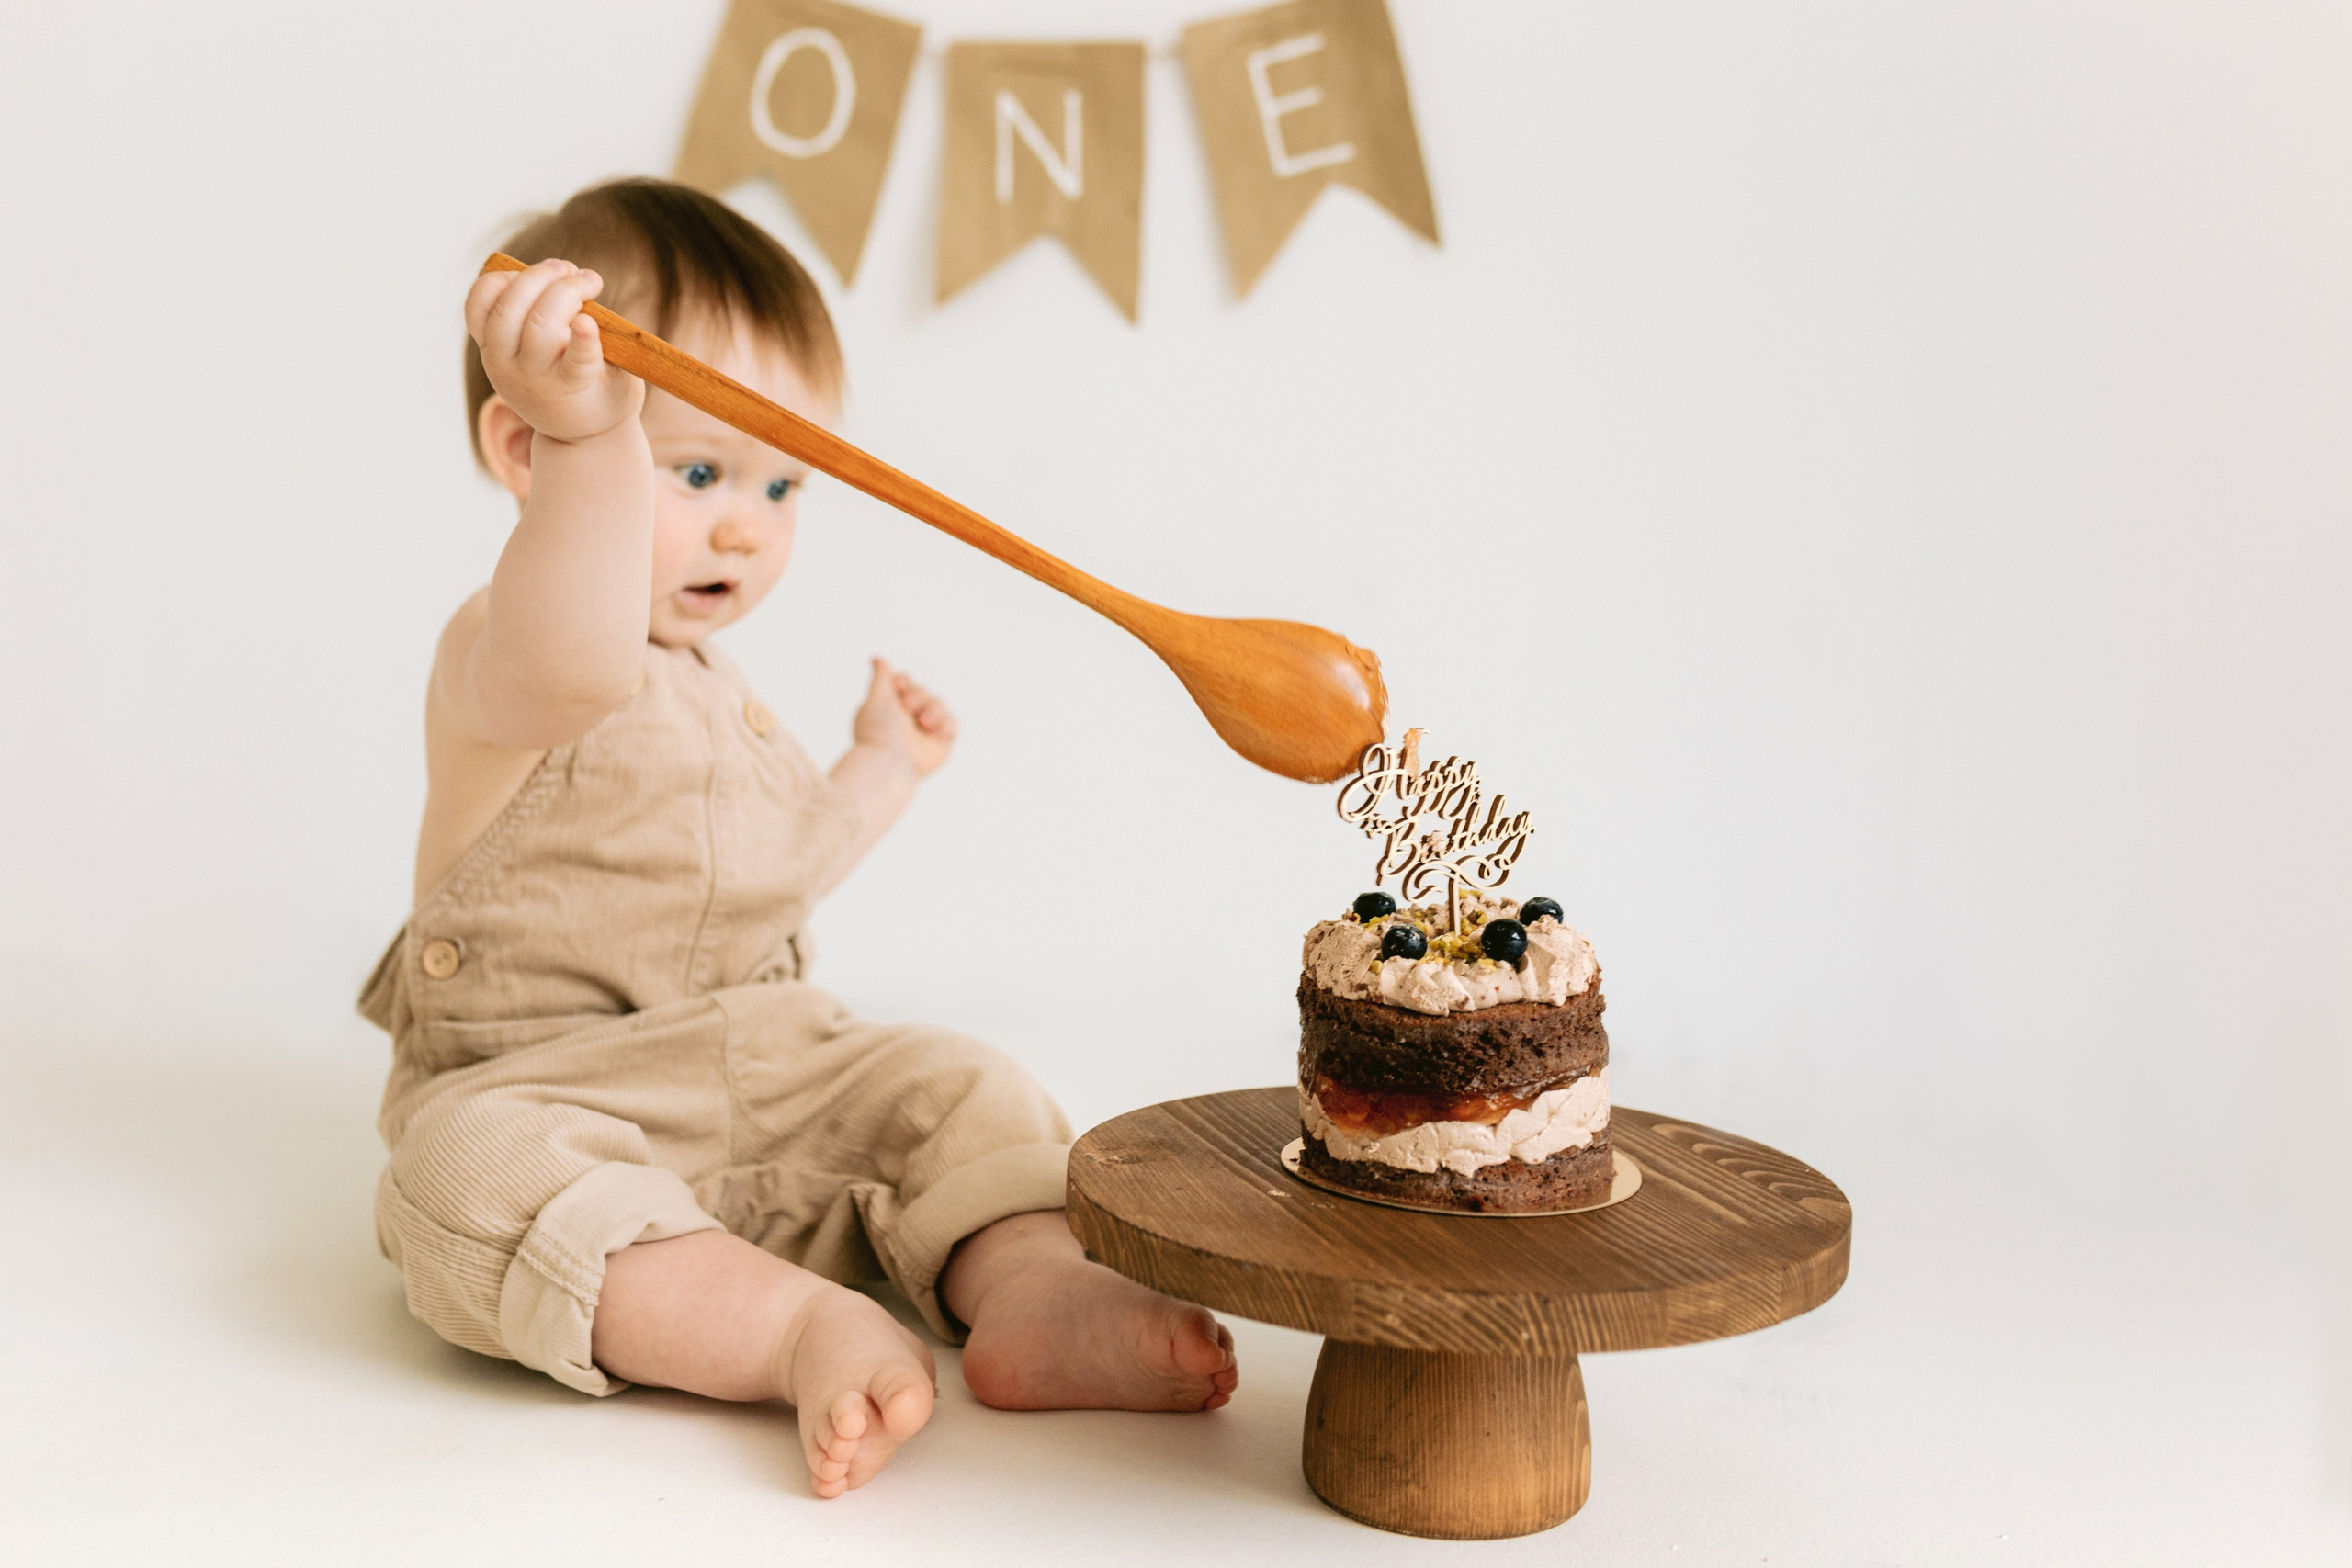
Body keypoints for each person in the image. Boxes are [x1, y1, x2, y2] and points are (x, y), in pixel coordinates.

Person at [359, 178, 1237, 1499]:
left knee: (954, 1082)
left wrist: (878, 771)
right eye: (697, 469)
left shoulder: (722, 689)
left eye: (780, 484)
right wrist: (595, 445)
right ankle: (784, 1327)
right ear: (525, 450)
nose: (744, 526)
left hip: (768, 1066)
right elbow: (573, 661)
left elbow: (782, 868)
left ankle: (1033, 1286)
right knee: (458, 1181)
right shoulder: (510, 648)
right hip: (552, 1088)